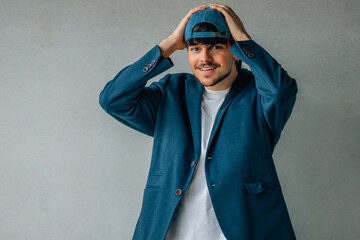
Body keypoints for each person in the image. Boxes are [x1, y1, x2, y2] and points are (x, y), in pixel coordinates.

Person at [99, 3, 297, 240]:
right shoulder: (171, 92)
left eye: (215, 47)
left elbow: (281, 92)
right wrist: (169, 44)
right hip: (169, 232)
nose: (205, 58)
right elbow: (113, 99)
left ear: (234, 51)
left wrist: (244, 38)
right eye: (195, 49)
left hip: (246, 229)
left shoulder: (258, 95)